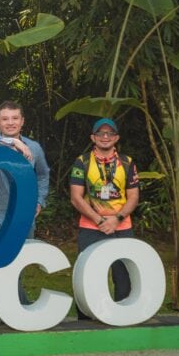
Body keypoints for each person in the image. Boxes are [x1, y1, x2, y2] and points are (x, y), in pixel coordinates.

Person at [0, 101, 50, 304]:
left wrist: (39, 200)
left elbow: (43, 174)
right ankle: (11, 308)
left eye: (15, 118)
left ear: (22, 121)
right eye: (5, 119)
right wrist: (11, 142)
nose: (10, 122)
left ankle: (15, 309)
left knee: (18, 265)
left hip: (23, 217)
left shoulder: (34, 148)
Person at [69, 117, 140, 319]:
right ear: (93, 137)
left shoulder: (127, 162)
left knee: (123, 275)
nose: (105, 137)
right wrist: (99, 220)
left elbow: (134, 196)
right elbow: (76, 197)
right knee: (87, 275)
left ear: (116, 137)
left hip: (121, 225)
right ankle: (86, 321)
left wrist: (116, 219)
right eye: (101, 133)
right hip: (91, 226)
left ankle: (123, 317)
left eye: (110, 133)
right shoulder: (82, 162)